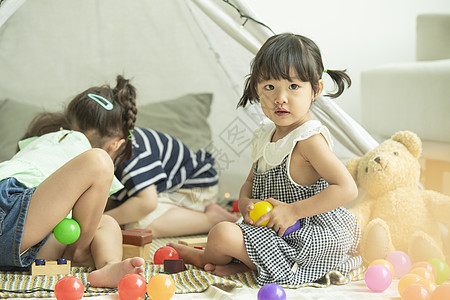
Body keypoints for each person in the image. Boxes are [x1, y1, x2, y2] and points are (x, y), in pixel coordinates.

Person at [169, 33, 362, 286]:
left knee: (220, 235)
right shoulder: (265, 135)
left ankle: (209, 257)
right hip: (272, 231)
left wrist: (294, 211)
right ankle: (246, 263)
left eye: (293, 87)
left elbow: (347, 189)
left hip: (307, 237)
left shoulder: (308, 140)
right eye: (270, 87)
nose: (280, 98)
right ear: (257, 90)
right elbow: (250, 181)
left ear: (315, 89)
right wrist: (247, 203)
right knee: (225, 233)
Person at [0, 75, 145, 288]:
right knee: (99, 162)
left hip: (21, 247)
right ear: (116, 144)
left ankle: (110, 267)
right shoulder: (75, 141)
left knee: (105, 223)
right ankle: (82, 253)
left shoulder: (42, 140)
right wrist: (81, 247)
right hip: (9, 208)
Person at [104, 126, 239, 238]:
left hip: (194, 186)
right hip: (168, 186)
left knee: (139, 226)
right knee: (121, 213)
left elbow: (146, 203)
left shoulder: (131, 154)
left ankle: (212, 220)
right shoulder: (118, 141)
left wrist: (101, 220)